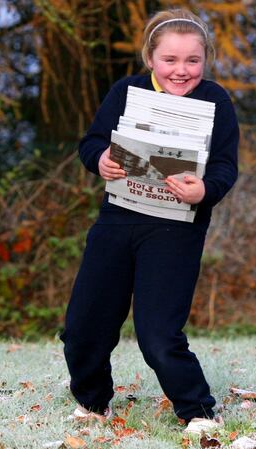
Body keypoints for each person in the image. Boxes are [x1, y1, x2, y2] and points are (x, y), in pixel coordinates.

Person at [60, 8, 238, 436]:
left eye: (192, 61)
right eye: (170, 60)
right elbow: (92, 143)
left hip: (176, 229)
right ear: (150, 58)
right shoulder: (127, 91)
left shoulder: (216, 100)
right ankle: (92, 402)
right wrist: (99, 159)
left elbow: (226, 168)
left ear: (205, 59)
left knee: (158, 334)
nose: (181, 70)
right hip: (117, 220)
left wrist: (205, 190)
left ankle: (198, 412)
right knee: (84, 325)